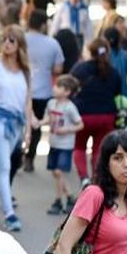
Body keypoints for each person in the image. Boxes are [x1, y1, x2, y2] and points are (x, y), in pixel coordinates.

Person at [0, 25, 37, 232]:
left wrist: (29, 128)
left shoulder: (25, 70)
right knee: (4, 166)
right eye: (5, 39)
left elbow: (27, 100)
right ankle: (9, 214)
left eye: (12, 40)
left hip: (17, 123)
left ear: (19, 44)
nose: (7, 43)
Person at [70, 38, 123, 183]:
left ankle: (84, 178)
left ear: (90, 51)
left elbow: (69, 88)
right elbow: (118, 93)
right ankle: (97, 179)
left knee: (79, 147)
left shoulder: (79, 69)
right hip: (107, 117)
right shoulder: (113, 72)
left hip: (82, 116)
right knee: (99, 150)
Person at [24, 10, 65, 172]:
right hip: (42, 92)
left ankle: (17, 152)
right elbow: (58, 68)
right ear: (42, 25)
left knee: (20, 123)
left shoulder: (21, 40)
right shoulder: (52, 43)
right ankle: (30, 157)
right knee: (36, 126)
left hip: (22, 89)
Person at [44, 74, 83, 215]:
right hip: (53, 143)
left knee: (59, 172)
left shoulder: (70, 108)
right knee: (56, 173)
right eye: (55, 85)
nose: (55, 88)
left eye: (59, 86)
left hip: (65, 145)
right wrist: (39, 123)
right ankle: (71, 197)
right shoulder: (51, 104)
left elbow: (80, 124)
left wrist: (67, 129)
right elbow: (49, 118)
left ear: (67, 92)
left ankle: (58, 201)